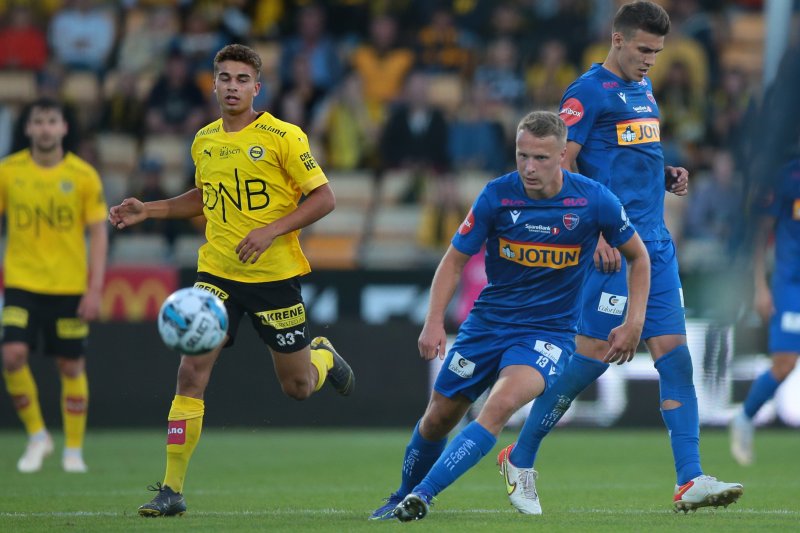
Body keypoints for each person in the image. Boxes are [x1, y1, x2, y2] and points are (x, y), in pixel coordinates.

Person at [499, 1, 743, 514]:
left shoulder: (642, 88)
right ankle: (519, 456)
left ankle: (689, 478)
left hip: (654, 247)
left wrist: (666, 172)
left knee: (676, 358)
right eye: (644, 49)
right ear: (617, 39)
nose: (652, 59)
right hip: (614, 251)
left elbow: (629, 152)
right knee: (589, 361)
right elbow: (560, 161)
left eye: (657, 51)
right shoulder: (586, 92)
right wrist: (598, 234)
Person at [108, 43, 355, 517]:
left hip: (274, 277)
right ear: (214, 83)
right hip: (217, 271)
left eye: (243, 80)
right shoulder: (204, 140)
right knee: (190, 371)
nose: (233, 87)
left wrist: (270, 231)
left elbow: (324, 198)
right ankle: (171, 489)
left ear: (257, 87)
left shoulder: (284, 136)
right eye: (225, 78)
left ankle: (323, 357)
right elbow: (202, 197)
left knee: (298, 387)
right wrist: (151, 209)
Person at [371, 110, 651, 521]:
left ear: (562, 157)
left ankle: (423, 496)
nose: (528, 167)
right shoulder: (496, 196)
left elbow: (639, 258)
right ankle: (401, 494)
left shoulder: (593, 200)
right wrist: (433, 321)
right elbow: (452, 262)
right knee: (437, 419)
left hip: (546, 334)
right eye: (522, 156)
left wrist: (634, 322)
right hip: (486, 326)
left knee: (499, 406)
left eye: (540, 158)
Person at [0, 97, 109, 474]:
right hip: (20, 282)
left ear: (64, 128)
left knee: (70, 365)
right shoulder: (8, 171)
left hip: (68, 287)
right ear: (28, 128)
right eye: (38, 122)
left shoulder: (83, 176)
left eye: (52, 121)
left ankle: (73, 450)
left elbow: (98, 233)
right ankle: (37, 436)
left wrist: (95, 289)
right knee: (12, 355)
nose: (45, 128)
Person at [730, 155, 800, 465]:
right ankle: (745, 417)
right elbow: (761, 233)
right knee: (784, 363)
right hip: (791, 283)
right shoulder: (787, 176)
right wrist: (760, 285)